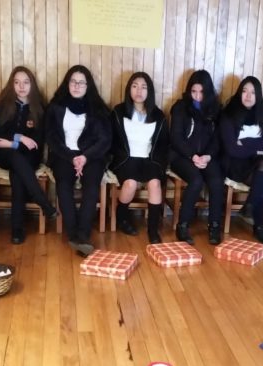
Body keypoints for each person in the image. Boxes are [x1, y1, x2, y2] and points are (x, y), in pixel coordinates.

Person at [46, 65, 111, 256]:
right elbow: (52, 139)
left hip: (91, 156)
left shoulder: (98, 109)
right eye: (73, 82)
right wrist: (71, 157)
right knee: (63, 186)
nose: (76, 86)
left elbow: (104, 140)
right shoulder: (55, 107)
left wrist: (85, 156)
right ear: (67, 84)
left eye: (81, 82)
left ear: (87, 85)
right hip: (64, 155)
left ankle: (82, 234)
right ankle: (74, 234)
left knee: (91, 187)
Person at [0, 66, 57, 245]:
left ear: (32, 85)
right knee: (15, 159)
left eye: (26, 82)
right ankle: (42, 201)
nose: (21, 87)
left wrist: (11, 141)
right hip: (4, 155)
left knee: (18, 172)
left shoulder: (39, 108)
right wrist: (18, 139)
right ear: (11, 85)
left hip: (30, 156)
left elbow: (35, 142)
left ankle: (17, 229)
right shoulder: (2, 105)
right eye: (17, 82)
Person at [110, 72, 169, 244]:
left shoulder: (158, 115)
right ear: (129, 89)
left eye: (144, 87)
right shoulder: (118, 111)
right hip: (125, 158)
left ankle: (152, 229)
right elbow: (111, 139)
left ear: (149, 91)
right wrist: (117, 155)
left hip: (150, 159)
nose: (139, 91)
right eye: (135, 86)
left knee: (155, 183)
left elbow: (163, 144)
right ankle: (122, 217)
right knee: (130, 183)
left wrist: (159, 162)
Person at [169, 70, 224, 245]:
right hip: (182, 155)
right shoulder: (180, 107)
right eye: (194, 91)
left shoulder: (215, 109)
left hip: (206, 157)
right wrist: (192, 156)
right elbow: (176, 137)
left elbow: (217, 139)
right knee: (196, 180)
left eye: (201, 92)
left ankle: (214, 225)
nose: (197, 96)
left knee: (216, 181)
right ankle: (182, 225)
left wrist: (207, 156)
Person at [219, 76, 263, 245]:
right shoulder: (228, 115)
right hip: (234, 164)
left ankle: (250, 207)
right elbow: (232, 149)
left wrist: (245, 142)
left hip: (257, 163)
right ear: (239, 93)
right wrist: (257, 147)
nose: (248, 96)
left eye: (253, 92)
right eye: (244, 91)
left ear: (258, 95)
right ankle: (259, 227)